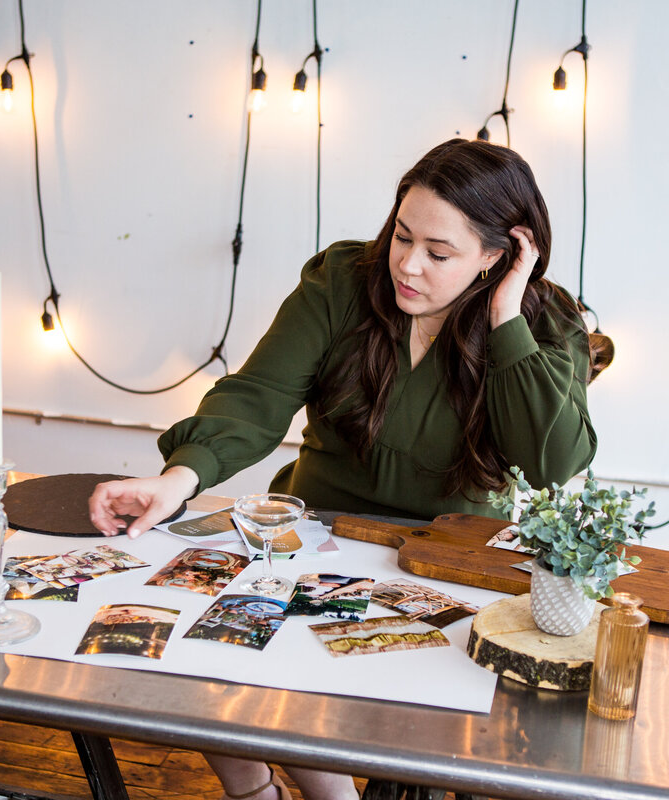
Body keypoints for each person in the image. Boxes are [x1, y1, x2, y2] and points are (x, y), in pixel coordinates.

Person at [89, 138, 597, 800]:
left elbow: (555, 460)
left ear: (496, 256)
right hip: (316, 538)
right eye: (402, 237)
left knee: (354, 688)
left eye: (439, 254)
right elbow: (257, 398)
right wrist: (177, 480)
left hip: (449, 570)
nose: (408, 266)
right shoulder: (342, 281)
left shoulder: (543, 321)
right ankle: (257, 787)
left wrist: (505, 318)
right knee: (201, 650)